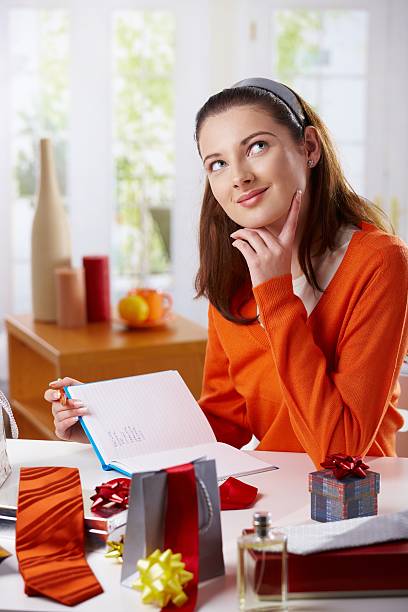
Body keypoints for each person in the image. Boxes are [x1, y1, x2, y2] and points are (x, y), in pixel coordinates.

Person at [45, 77, 408, 468]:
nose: (239, 176)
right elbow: (221, 425)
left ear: (309, 147)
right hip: (274, 494)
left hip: (356, 504)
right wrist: (106, 425)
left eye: (257, 147)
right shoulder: (235, 270)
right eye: (217, 163)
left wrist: (276, 295)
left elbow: (342, 451)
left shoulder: (380, 263)